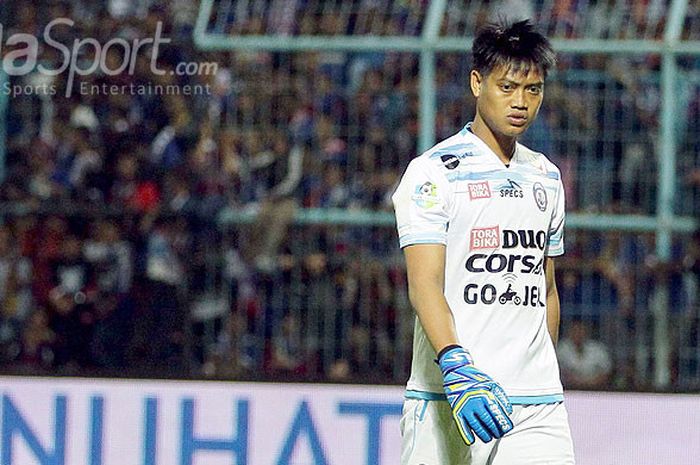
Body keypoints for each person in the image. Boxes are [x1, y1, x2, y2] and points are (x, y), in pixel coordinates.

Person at [392, 20, 575, 464]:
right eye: (508, 86)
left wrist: (541, 368)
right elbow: (425, 286)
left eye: (533, 90)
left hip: (536, 405)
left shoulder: (546, 177)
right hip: (449, 395)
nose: (521, 102)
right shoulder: (434, 173)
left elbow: (545, 287)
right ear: (477, 83)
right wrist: (456, 366)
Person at [557, 318, 613, 389]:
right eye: (575, 331)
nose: (578, 334)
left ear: (586, 332)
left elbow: (606, 372)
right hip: (569, 389)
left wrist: (591, 383)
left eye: (580, 331)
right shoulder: (562, 349)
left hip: (596, 389)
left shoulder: (598, 349)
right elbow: (561, 373)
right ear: (570, 332)